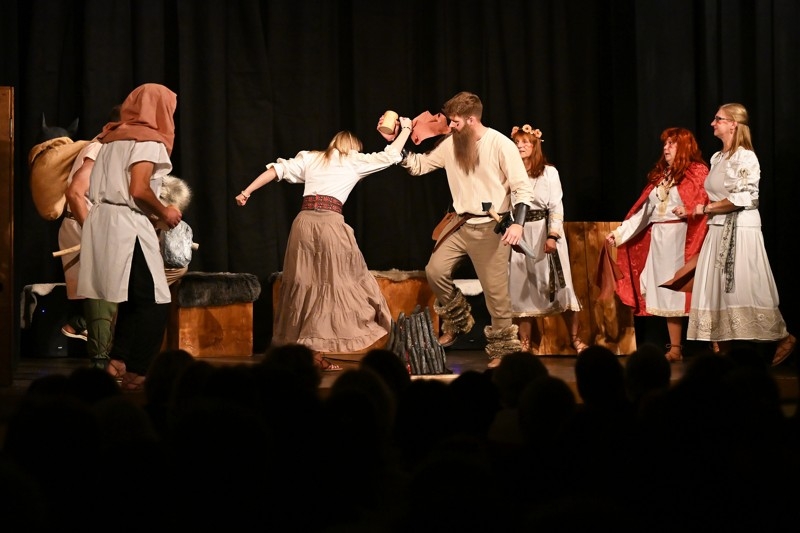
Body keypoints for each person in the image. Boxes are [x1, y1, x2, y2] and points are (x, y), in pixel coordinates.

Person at [236, 118, 414, 371]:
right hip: (330, 224)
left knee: (307, 284)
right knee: (344, 281)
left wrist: (247, 191)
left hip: (303, 224)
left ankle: (311, 353)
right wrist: (406, 129)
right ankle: (334, 342)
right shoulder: (354, 160)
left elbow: (277, 170)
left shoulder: (311, 158)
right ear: (353, 147)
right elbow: (391, 155)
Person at [380, 91, 535, 368]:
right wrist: (397, 145)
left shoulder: (500, 144)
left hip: (491, 226)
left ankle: (503, 351)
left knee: (496, 293)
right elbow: (420, 166)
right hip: (460, 223)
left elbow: (522, 188)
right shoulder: (452, 144)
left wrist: (518, 224)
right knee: (435, 270)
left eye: (455, 122)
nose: (450, 126)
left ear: (471, 120)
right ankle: (459, 321)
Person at [77, 83, 182, 391]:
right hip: (126, 224)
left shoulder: (110, 138)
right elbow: (138, 189)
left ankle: (118, 360)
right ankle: (139, 370)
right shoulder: (147, 140)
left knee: (135, 297)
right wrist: (165, 212)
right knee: (156, 300)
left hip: (105, 219)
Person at [680, 103, 795, 365]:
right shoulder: (717, 158)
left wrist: (704, 209)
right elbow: (717, 194)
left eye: (718, 119)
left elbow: (743, 197)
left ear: (733, 124)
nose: (713, 123)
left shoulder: (745, 157)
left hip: (740, 229)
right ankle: (723, 353)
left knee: (746, 287)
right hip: (717, 229)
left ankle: (783, 337)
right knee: (718, 290)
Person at [606, 127, 709, 362]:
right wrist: (619, 234)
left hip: (684, 238)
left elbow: (705, 204)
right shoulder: (663, 176)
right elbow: (644, 213)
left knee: (692, 292)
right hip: (660, 240)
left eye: (672, 143)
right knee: (667, 295)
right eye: (665, 144)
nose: (666, 148)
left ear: (684, 146)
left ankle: (716, 345)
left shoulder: (697, 172)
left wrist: (689, 211)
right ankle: (675, 348)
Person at [508, 123, 587, 355]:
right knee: (522, 289)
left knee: (561, 288)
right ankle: (525, 343)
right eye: (517, 142)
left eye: (525, 142)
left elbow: (555, 206)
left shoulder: (549, 172)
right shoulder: (511, 173)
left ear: (535, 145)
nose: (520, 146)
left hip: (544, 232)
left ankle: (575, 339)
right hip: (521, 233)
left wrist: (552, 235)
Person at [58, 105, 121, 369]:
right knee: (101, 292)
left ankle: (80, 323)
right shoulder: (99, 149)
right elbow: (75, 193)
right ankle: (100, 364)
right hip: (83, 226)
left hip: (95, 227)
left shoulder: (111, 151)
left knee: (113, 291)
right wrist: (93, 231)